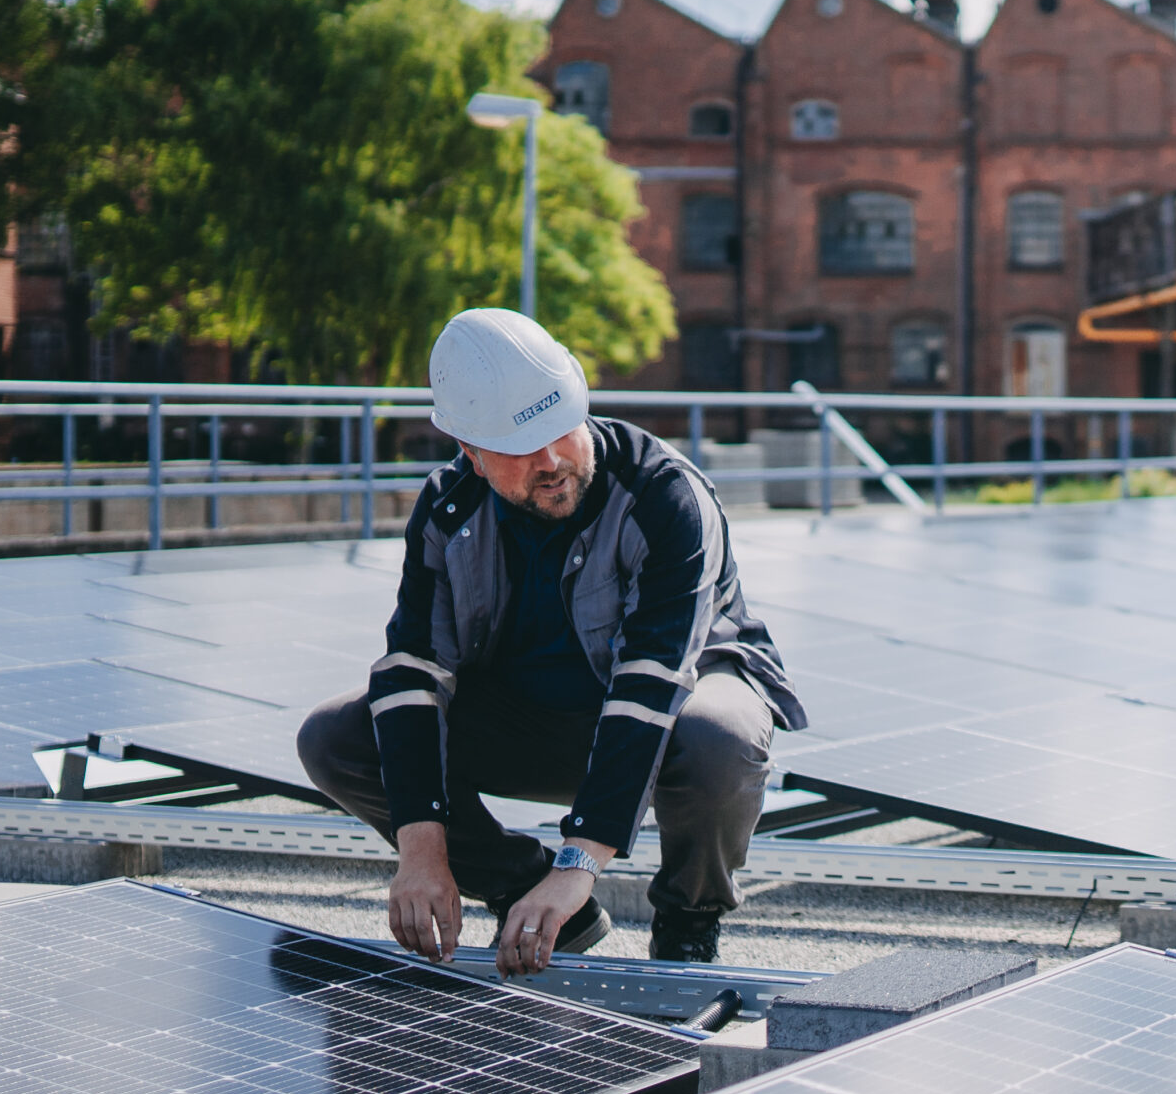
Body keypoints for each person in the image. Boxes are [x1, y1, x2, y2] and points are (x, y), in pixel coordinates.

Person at [298, 309, 806, 972]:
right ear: (469, 453)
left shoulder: (666, 497)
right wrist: (421, 850)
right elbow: (412, 671)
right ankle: (520, 892)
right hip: (536, 724)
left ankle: (689, 918)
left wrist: (578, 863)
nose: (550, 460)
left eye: (558, 429)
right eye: (518, 445)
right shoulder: (446, 510)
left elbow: (651, 684)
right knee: (339, 735)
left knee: (723, 737)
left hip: (669, 718)